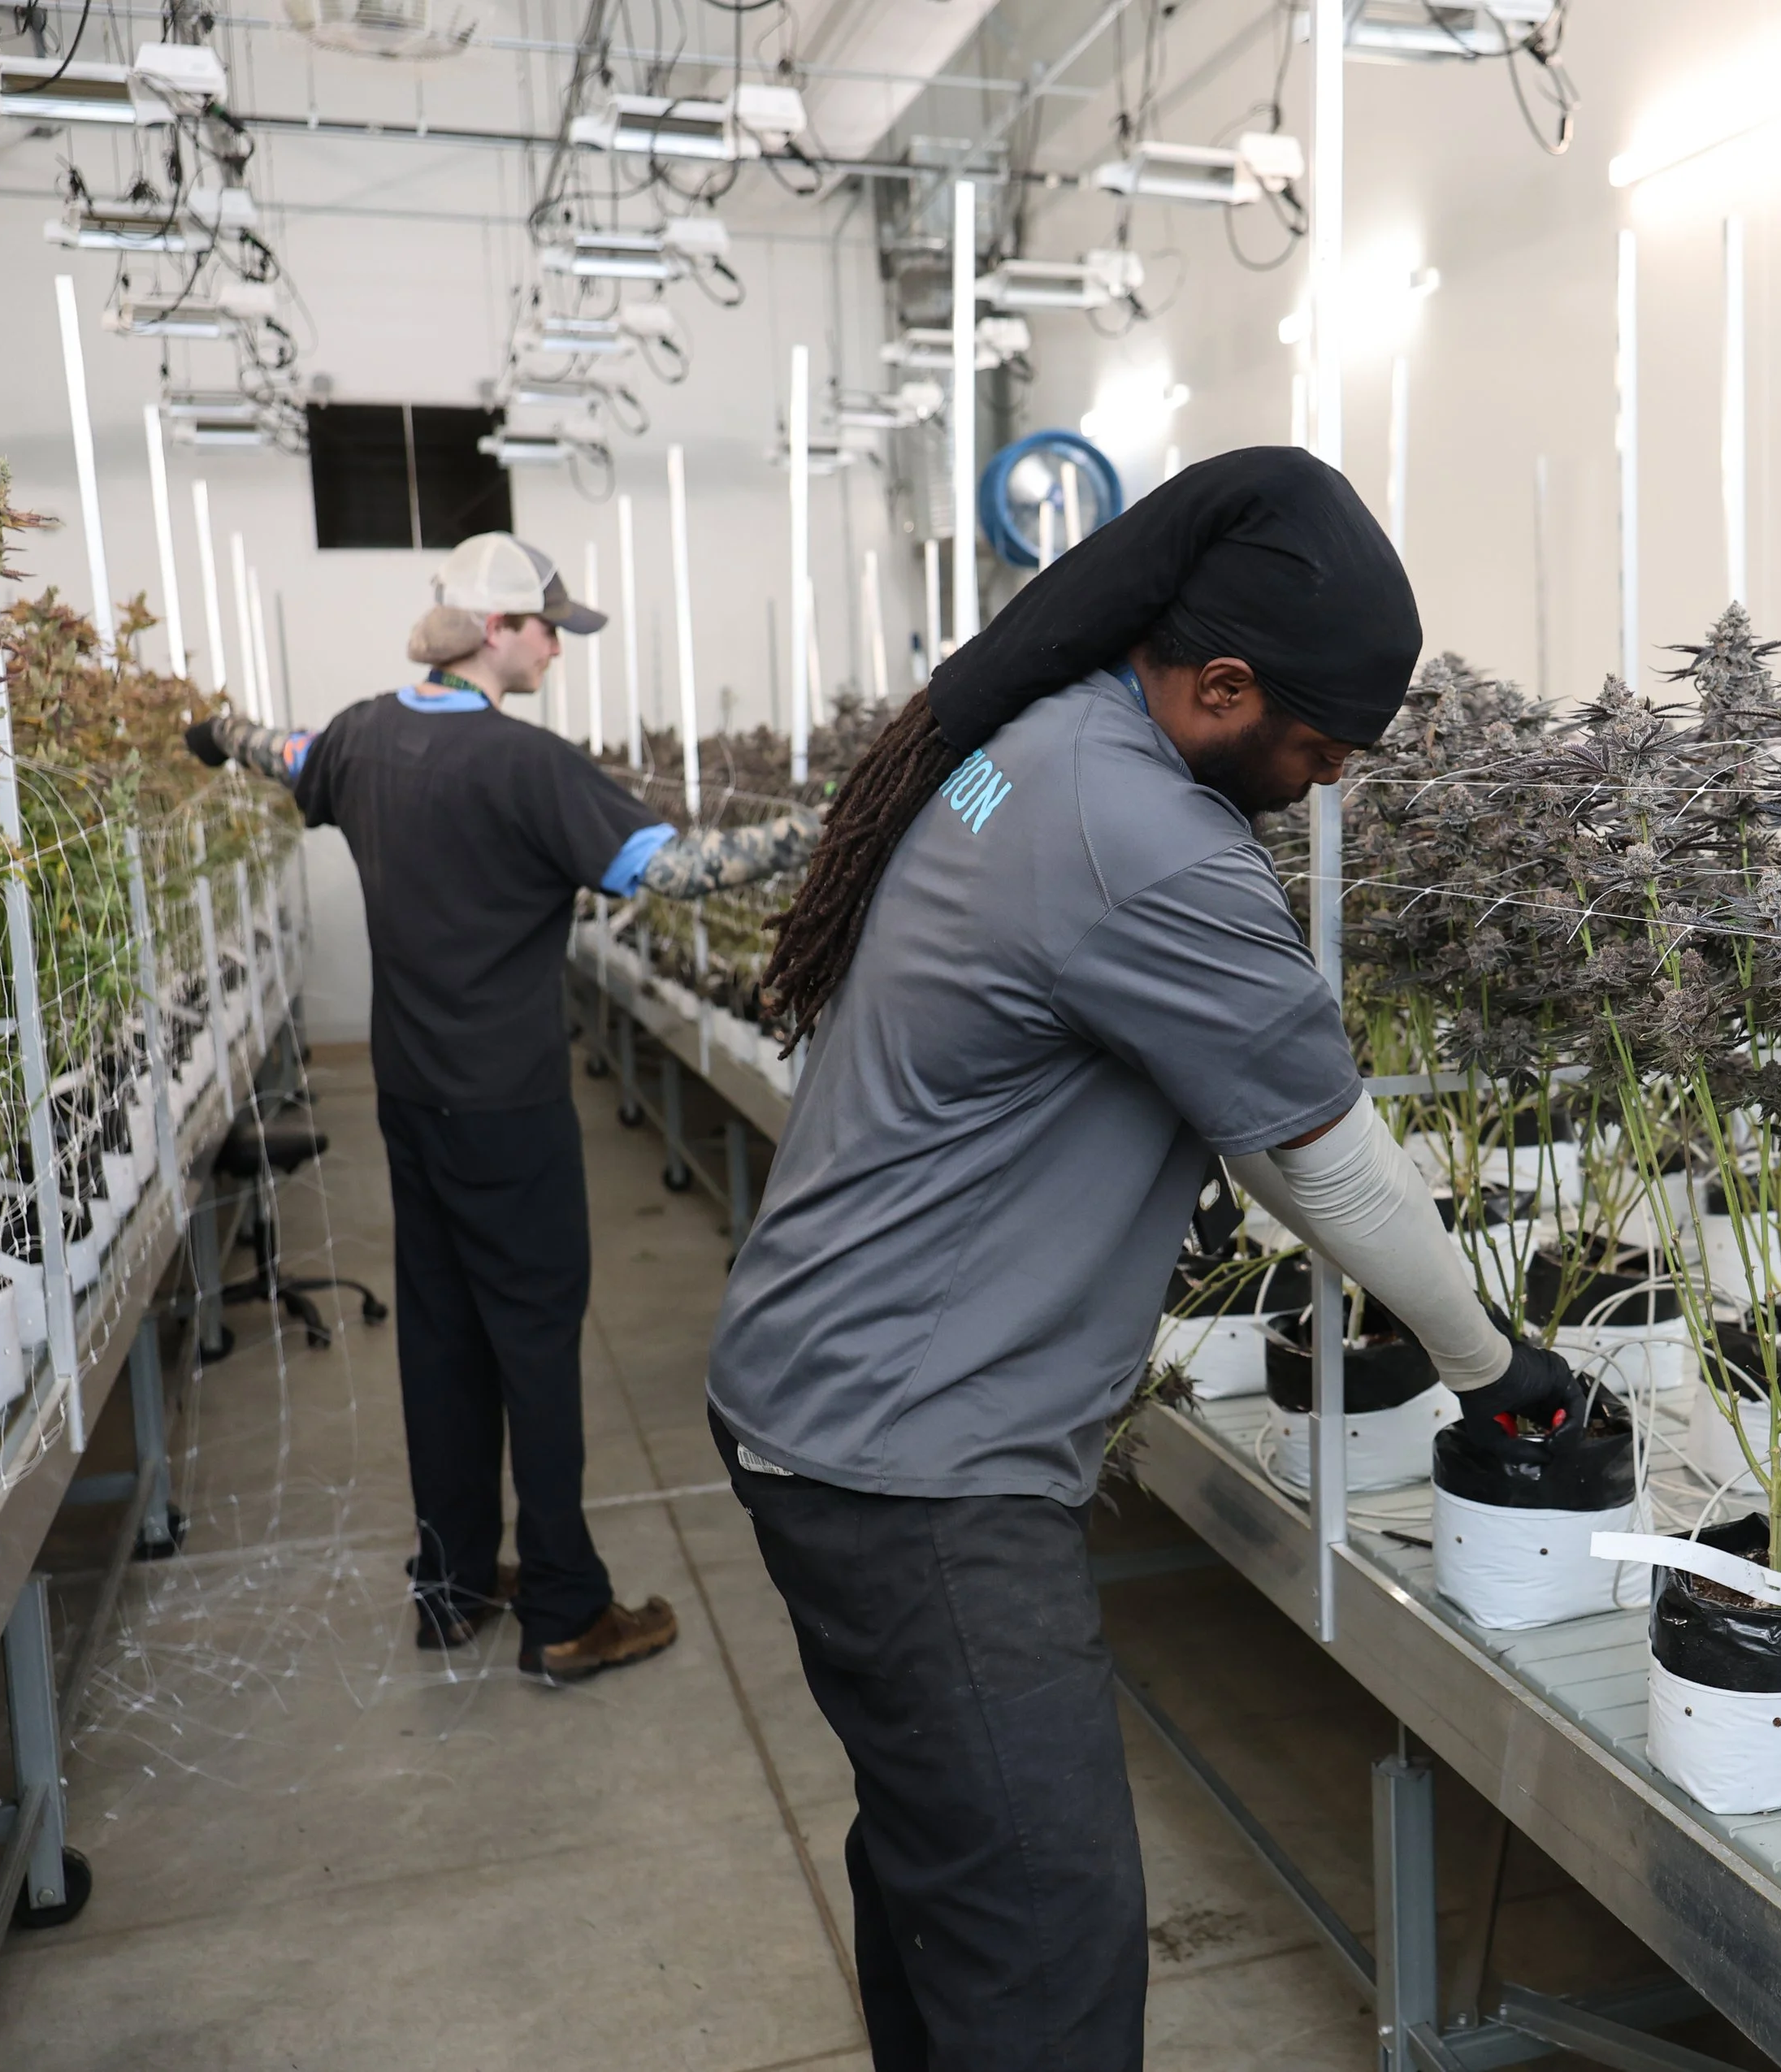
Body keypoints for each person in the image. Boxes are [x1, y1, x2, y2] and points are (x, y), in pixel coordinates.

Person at [705, 449, 1585, 2067]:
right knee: (1042, 1952)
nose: (1321, 786)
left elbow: (1206, 1102)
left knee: (940, 1871)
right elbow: (1327, 1166)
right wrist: (1494, 1365)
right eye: (1314, 750)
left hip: (824, 1392)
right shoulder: (1141, 839)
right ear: (1223, 685)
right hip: (914, 1466)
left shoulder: (1038, 749)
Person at [187, 532, 816, 1683]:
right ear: (498, 633)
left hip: (411, 1098)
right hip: (509, 1107)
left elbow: (282, 752)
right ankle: (570, 1607)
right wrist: (829, 831)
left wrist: (215, 733)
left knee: (440, 1339)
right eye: (546, 631)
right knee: (534, 1344)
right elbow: (672, 872)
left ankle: (453, 1583)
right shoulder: (529, 767)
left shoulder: (367, 733)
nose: (555, 652)